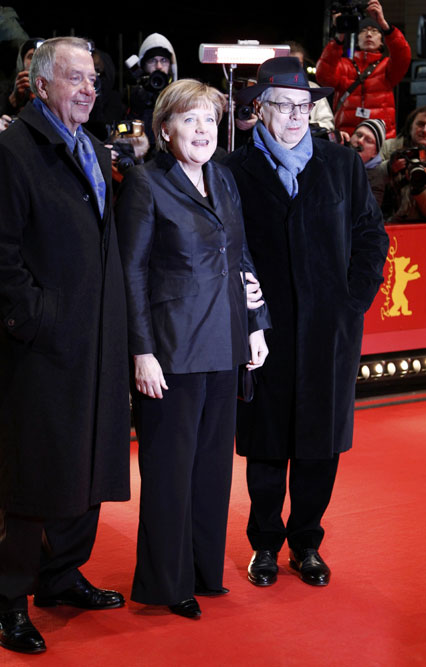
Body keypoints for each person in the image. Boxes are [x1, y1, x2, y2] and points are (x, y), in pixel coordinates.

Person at [0, 36, 130, 654]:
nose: (90, 89)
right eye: (76, 79)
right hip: (39, 346)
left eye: (93, 79)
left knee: (86, 461)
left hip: (94, 340)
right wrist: (36, 318)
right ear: (41, 85)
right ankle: (8, 599)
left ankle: (61, 577)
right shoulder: (12, 152)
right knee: (33, 474)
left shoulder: (91, 146)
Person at [223, 57, 388, 589]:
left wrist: (352, 299)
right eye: (283, 106)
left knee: (319, 448)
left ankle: (307, 544)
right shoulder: (233, 170)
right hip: (264, 334)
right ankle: (265, 546)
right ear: (260, 109)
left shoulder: (341, 165)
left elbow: (371, 237)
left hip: (328, 333)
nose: (296, 117)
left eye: (303, 106)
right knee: (267, 447)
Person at [115, 79, 270, 619]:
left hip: (226, 341)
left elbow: (242, 255)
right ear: (165, 129)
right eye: (189, 119)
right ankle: (167, 581)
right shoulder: (144, 184)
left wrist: (256, 325)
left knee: (211, 470)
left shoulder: (225, 180)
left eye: (208, 119)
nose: (202, 130)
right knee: (169, 471)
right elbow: (130, 272)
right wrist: (141, 350)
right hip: (172, 351)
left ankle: (205, 571)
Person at [316, 0, 411, 138]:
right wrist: (339, 37)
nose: (368, 34)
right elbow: (323, 77)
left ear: (382, 41)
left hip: (379, 140)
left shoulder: (387, 66)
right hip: (347, 137)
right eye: (363, 31)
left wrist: (384, 25)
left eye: (374, 31)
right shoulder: (343, 65)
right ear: (356, 38)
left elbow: (403, 54)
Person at [125, 33, 177, 149]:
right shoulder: (132, 93)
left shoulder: (178, 94)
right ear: (143, 65)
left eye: (164, 60)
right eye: (152, 61)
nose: (158, 66)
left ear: (170, 65)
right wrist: (135, 111)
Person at [380, 106, 426, 222]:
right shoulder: (388, 148)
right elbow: (369, 178)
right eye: (420, 124)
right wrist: (388, 169)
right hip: (388, 219)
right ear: (411, 126)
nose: (425, 130)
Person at [350, 117, 387, 205]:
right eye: (358, 135)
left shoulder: (376, 179)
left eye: (368, 140)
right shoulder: (337, 158)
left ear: (375, 153)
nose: (360, 141)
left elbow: (370, 213)